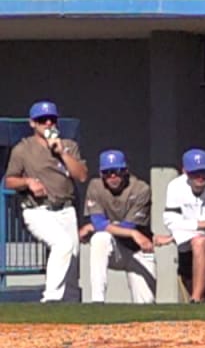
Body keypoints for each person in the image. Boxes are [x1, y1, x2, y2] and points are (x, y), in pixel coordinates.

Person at [3, 100, 88, 302]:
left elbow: (82, 175)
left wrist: (61, 152)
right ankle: (50, 299)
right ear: (33, 123)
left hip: (66, 209)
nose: (48, 123)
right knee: (63, 244)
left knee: (72, 262)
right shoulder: (23, 149)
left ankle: (70, 306)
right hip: (38, 210)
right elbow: (9, 181)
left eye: (52, 119)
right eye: (42, 120)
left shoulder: (69, 145)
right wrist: (28, 182)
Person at [81, 150, 156, 304]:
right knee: (100, 238)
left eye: (117, 171)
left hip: (139, 250)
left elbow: (128, 225)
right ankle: (98, 300)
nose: (113, 177)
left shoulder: (141, 188)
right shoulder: (95, 186)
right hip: (115, 249)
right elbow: (100, 224)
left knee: (146, 304)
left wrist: (101, 226)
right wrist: (131, 233)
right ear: (101, 174)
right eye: (107, 173)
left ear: (125, 171)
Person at [163, 148, 205, 303]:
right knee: (193, 244)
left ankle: (196, 299)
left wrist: (176, 234)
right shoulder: (175, 186)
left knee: (199, 241)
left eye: (204, 171)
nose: (200, 177)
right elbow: (170, 221)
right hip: (183, 241)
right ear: (185, 171)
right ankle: (198, 298)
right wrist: (202, 224)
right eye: (194, 172)